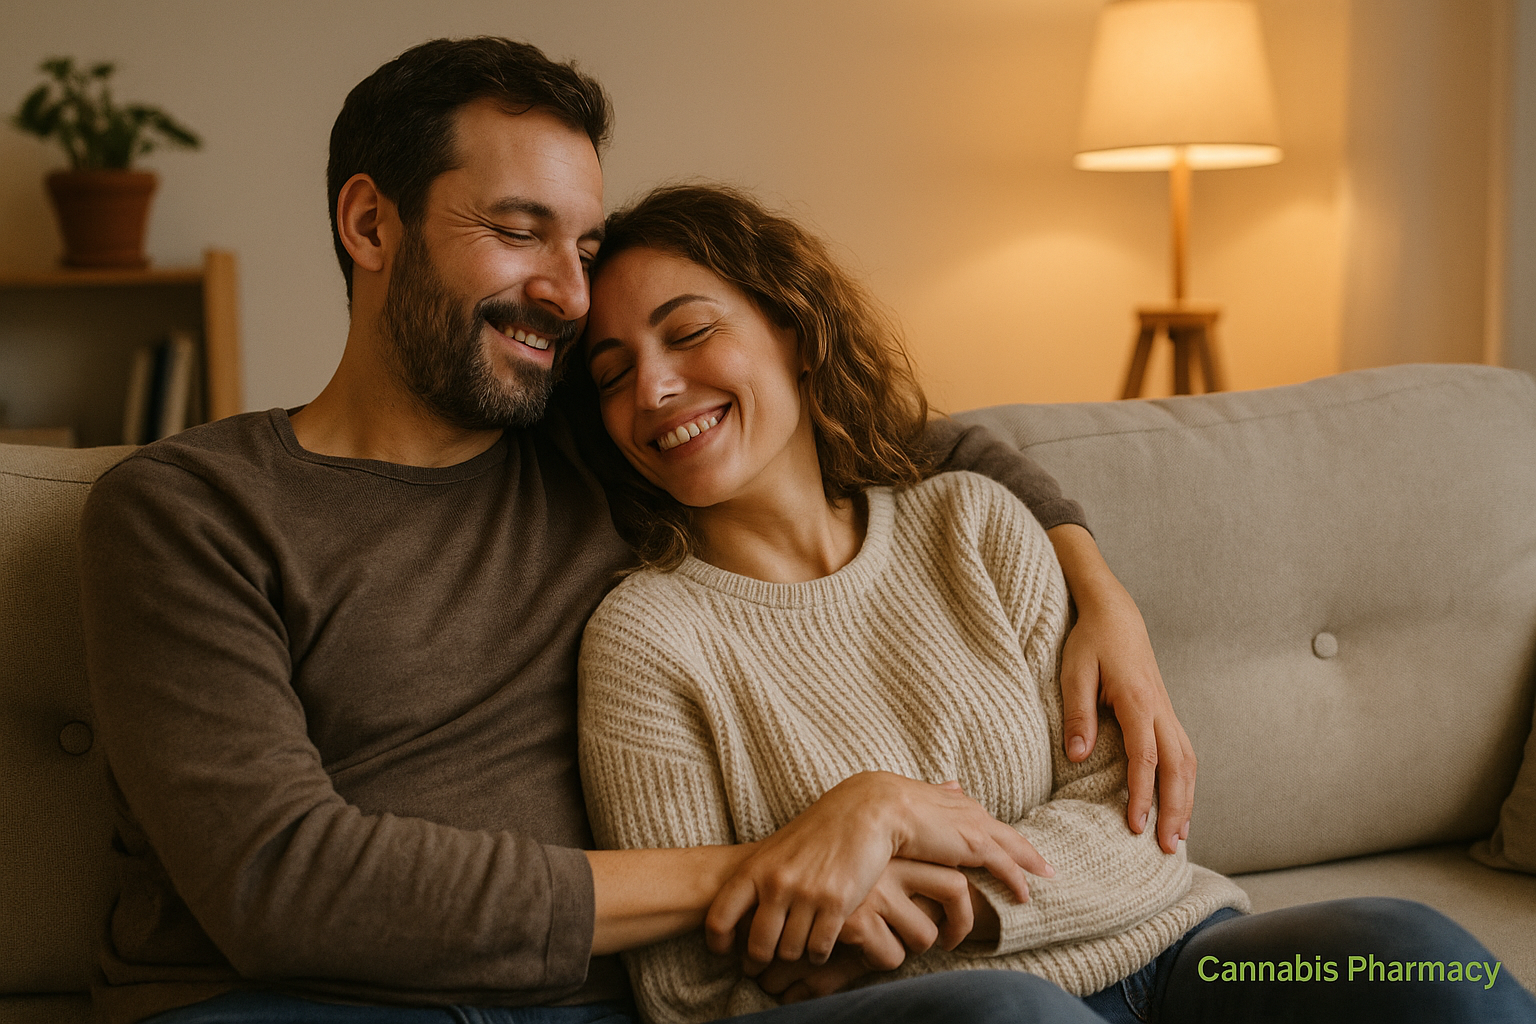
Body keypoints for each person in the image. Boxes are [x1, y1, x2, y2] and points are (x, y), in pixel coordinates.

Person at [79, 37, 1195, 1024]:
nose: (570, 295)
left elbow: (890, 432)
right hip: (294, 1005)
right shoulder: (192, 507)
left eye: (583, 247)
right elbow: (280, 882)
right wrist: (772, 862)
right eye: (520, 233)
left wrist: (1100, 591)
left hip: (587, 1008)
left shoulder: (599, 445)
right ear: (372, 224)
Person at [574, 184, 1536, 1024]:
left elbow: (1140, 826)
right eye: (612, 375)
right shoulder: (647, 640)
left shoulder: (974, 522)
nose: (653, 387)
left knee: (1408, 951)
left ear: (794, 329)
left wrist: (915, 873)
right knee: (1011, 1011)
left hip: (1176, 960)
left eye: (689, 333)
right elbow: (690, 990)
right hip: (961, 1015)